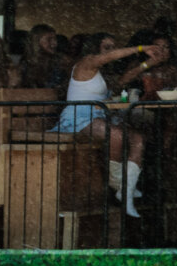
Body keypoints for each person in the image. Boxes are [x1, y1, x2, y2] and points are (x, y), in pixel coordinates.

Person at [58, 32, 156, 218]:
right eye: (107, 47)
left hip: (99, 117)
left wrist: (148, 64)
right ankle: (121, 184)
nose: (113, 51)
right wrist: (141, 48)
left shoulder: (103, 72)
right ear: (95, 49)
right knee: (116, 135)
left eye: (114, 46)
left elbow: (124, 79)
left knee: (138, 139)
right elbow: (110, 57)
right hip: (78, 117)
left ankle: (125, 192)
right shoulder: (86, 62)